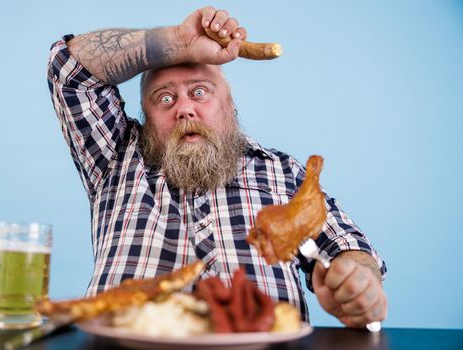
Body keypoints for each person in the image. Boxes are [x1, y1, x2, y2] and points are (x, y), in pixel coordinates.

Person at [47, 6, 387, 328]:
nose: (184, 109)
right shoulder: (116, 157)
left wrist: (356, 279)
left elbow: (346, 246)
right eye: (164, 98)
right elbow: (69, 69)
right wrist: (177, 41)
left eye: (199, 92)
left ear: (230, 107)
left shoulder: (282, 171)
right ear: (146, 118)